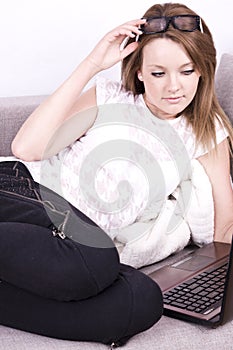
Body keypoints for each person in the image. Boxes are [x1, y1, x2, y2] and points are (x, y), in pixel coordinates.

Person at [1, 1, 233, 346]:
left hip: (64, 252)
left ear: (203, 70)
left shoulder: (206, 130)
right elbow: (28, 149)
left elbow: (224, 228)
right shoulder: (110, 97)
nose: (174, 87)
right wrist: (93, 64)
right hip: (26, 199)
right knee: (97, 255)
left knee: (141, 301)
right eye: (158, 73)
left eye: (187, 71)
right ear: (139, 71)